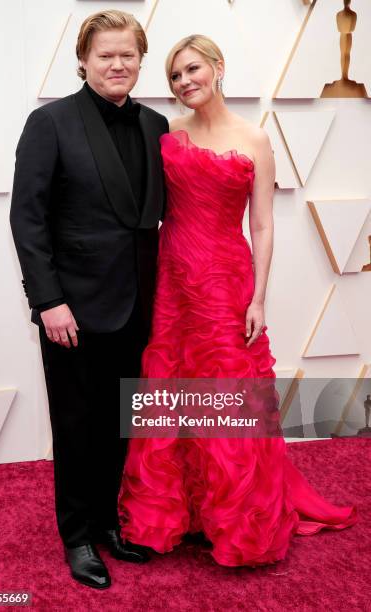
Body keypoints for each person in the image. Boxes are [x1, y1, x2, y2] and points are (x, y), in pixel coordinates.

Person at [118, 35, 358, 568]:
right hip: (173, 280)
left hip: (226, 281)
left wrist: (258, 297)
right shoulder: (165, 133)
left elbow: (264, 223)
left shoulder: (254, 139)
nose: (184, 83)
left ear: (218, 68)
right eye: (175, 76)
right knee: (171, 390)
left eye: (193, 69)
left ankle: (232, 518)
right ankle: (178, 514)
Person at [10, 10, 168, 589]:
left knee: (120, 426)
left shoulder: (157, 125)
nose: (117, 64)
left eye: (128, 55)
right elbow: (27, 222)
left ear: (140, 59)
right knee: (76, 425)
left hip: (140, 308)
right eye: (106, 55)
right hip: (71, 312)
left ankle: (108, 522)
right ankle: (77, 536)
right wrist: (48, 301)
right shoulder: (49, 123)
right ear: (83, 60)